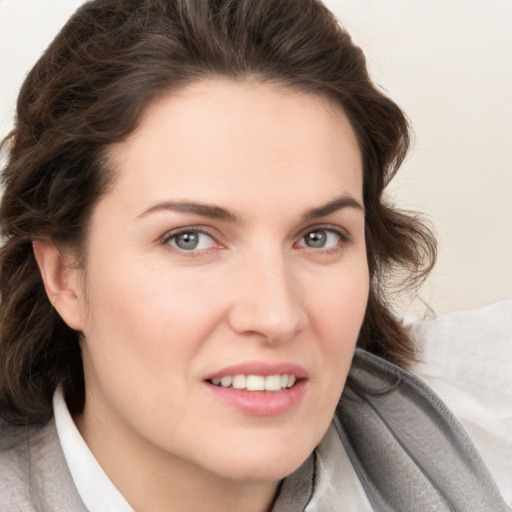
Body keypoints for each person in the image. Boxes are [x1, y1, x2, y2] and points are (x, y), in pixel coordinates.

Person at [0, 0, 507, 510]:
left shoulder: (474, 425)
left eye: (319, 237)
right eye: (190, 239)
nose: (276, 316)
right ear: (65, 276)